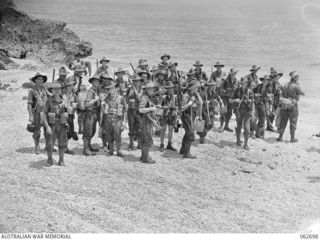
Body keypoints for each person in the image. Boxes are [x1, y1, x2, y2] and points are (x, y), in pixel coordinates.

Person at [41, 82, 68, 167]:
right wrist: (47, 126)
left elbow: (69, 112)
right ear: (51, 90)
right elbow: (44, 114)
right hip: (52, 124)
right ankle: (49, 159)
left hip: (62, 124)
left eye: (59, 89)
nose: (57, 90)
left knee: (62, 143)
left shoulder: (64, 99)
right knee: (50, 143)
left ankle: (61, 160)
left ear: (61, 90)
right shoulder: (49, 100)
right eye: (55, 89)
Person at [100, 81, 126, 157]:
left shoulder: (121, 98)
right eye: (109, 89)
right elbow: (102, 109)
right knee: (109, 135)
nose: (110, 90)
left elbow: (125, 110)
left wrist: (124, 122)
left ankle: (118, 151)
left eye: (112, 88)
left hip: (117, 118)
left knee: (117, 135)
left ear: (115, 88)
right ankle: (111, 150)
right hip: (107, 118)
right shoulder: (106, 98)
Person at [277, 71, 304, 142]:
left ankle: (280, 137)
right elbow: (302, 93)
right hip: (292, 106)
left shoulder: (285, 84)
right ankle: (292, 138)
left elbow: (282, 94)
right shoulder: (296, 86)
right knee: (293, 121)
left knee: (283, 121)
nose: (298, 78)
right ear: (294, 78)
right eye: (297, 76)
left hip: (284, 105)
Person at [179, 79, 203, 158]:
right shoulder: (186, 96)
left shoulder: (193, 94)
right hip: (186, 116)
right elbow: (182, 108)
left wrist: (197, 94)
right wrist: (190, 103)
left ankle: (183, 150)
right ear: (192, 88)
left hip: (191, 116)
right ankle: (187, 153)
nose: (197, 89)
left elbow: (201, 102)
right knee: (190, 135)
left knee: (187, 133)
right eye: (196, 88)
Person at [27, 73, 49, 154]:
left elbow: (50, 97)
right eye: (39, 79)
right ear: (35, 80)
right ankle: (37, 146)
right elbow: (29, 104)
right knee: (37, 131)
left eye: (42, 79)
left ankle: (47, 146)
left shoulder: (45, 90)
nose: (40, 81)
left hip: (45, 113)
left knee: (47, 130)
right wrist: (30, 115)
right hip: (37, 113)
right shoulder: (32, 91)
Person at [230, 77, 254, 150]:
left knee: (247, 127)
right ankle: (238, 140)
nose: (243, 85)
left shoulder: (250, 91)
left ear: (247, 84)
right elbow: (230, 100)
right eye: (242, 83)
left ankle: (246, 144)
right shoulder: (237, 90)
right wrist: (235, 100)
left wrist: (250, 102)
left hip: (247, 111)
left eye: (245, 83)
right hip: (239, 111)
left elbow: (253, 102)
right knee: (239, 126)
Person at [139, 82, 159, 163]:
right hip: (145, 120)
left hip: (147, 119)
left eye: (152, 88)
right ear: (146, 89)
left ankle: (144, 156)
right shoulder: (144, 97)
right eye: (150, 88)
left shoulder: (148, 97)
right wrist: (152, 109)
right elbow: (141, 109)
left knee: (145, 138)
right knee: (147, 138)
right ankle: (145, 158)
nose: (152, 90)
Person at [82, 76, 102, 156]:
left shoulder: (96, 91)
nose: (96, 83)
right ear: (92, 82)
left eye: (98, 81)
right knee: (88, 131)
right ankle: (86, 149)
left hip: (94, 113)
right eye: (95, 81)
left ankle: (89, 146)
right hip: (89, 113)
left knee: (92, 131)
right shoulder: (90, 91)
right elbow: (86, 104)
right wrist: (95, 100)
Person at [159, 81, 178, 152]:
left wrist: (175, 108)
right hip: (164, 115)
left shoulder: (175, 97)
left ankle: (169, 144)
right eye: (169, 88)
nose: (170, 90)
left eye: (171, 88)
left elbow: (177, 106)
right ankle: (161, 144)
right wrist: (165, 107)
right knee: (163, 130)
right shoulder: (164, 97)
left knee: (170, 130)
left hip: (172, 115)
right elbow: (160, 106)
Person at [126, 75, 143, 150]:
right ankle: (131, 144)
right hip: (131, 110)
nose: (136, 83)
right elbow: (126, 99)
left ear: (140, 82)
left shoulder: (142, 90)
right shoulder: (129, 89)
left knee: (139, 127)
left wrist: (135, 91)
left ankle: (139, 143)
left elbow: (140, 99)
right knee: (131, 127)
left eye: (138, 81)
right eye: (135, 81)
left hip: (138, 110)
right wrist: (130, 93)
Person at [218, 68, 239, 132]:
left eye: (234, 74)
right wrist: (226, 92)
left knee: (229, 113)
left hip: (232, 100)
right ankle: (221, 126)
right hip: (225, 98)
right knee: (223, 112)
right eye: (231, 74)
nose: (233, 75)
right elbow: (221, 90)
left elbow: (238, 91)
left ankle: (226, 126)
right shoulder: (225, 81)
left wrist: (235, 99)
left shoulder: (237, 81)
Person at [63, 76, 79, 155]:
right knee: (65, 130)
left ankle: (64, 146)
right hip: (63, 114)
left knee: (70, 131)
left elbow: (75, 103)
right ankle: (64, 148)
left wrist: (75, 106)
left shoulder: (74, 94)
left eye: (72, 85)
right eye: (69, 85)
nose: (71, 87)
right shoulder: (62, 94)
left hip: (71, 114)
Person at [244, 65, 261, 139]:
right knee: (247, 115)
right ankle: (247, 130)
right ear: (252, 70)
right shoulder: (247, 77)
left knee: (253, 116)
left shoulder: (257, 78)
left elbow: (258, 88)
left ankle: (252, 132)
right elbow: (244, 86)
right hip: (248, 98)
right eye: (254, 70)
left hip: (255, 99)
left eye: (256, 70)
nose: (255, 71)